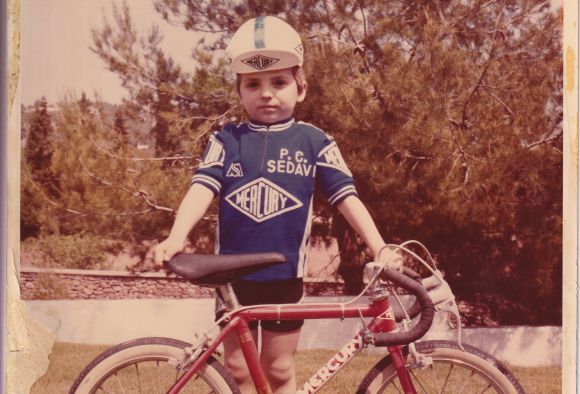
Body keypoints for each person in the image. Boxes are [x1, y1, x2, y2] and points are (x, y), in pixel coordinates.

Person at [153, 15, 400, 394]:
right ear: (240, 92)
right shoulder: (226, 139)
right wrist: (176, 236)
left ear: (300, 89)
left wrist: (378, 244)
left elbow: (346, 198)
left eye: (279, 82)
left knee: (280, 369)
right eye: (253, 84)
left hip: (284, 278)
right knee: (238, 368)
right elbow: (201, 189)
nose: (266, 93)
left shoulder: (315, 141)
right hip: (232, 279)